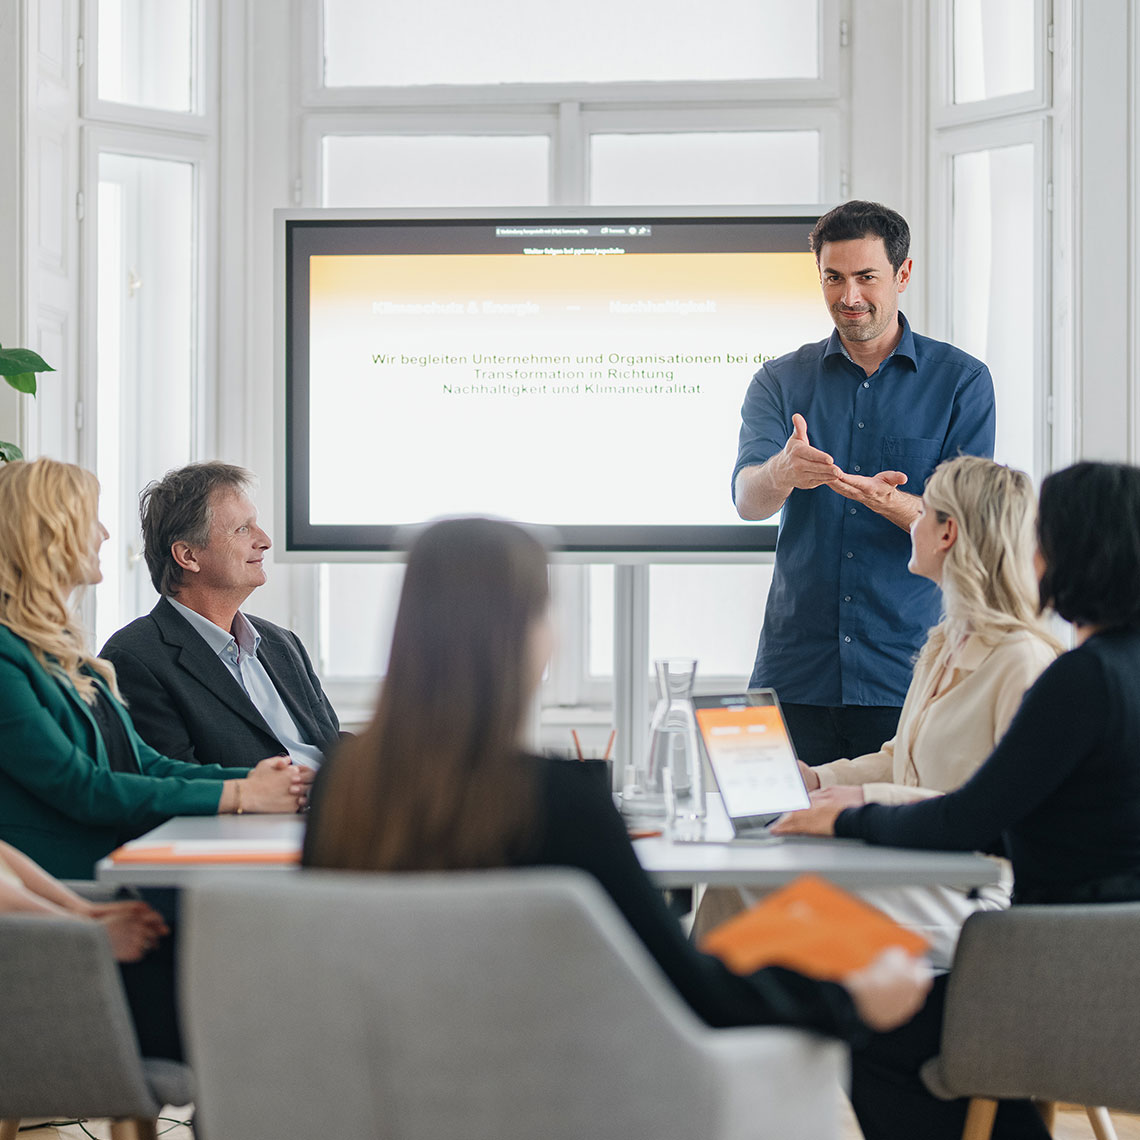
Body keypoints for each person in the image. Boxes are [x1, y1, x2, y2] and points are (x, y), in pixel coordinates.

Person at [303, 516, 930, 1042]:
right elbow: (686, 991)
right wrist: (851, 994)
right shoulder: (560, 803)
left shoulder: (343, 784)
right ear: (521, 636)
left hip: (378, 1097)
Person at [772, 461, 1140, 1140]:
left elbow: (973, 817)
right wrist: (828, 786)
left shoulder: (1073, 677)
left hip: (1042, 948)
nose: (1035, 554)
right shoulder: (1106, 670)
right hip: (1086, 946)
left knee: (857, 999)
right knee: (822, 950)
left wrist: (851, 813)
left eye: (1046, 538)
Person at [699, 457, 1059, 967]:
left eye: (924, 512)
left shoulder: (1022, 661)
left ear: (947, 533)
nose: (912, 522)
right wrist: (816, 781)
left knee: (758, 894)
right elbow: (899, 758)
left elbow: (994, 816)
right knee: (740, 879)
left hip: (972, 895)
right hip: (912, 866)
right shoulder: (943, 644)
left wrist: (858, 801)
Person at [733, 200, 996, 765]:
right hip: (795, 671)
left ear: (902, 274)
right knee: (780, 834)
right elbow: (747, 501)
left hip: (906, 670)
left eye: (865, 277)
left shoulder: (962, 383)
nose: (848, 297)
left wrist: (893, 504)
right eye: (833, 278)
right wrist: (782, 472)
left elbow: (970, 529)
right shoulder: (778, 381)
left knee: (900, 837)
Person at [0, 458, 313, 880]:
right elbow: (83, 787)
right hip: (74, 882)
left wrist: (276, 782)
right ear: (45, 536)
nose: (105, 534)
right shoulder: (15, 657)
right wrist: (242, 792)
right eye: (89, 520)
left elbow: (143, 764)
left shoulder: (71, 659)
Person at [101, 461, 341, 770]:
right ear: (188, 556)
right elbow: (175, 785)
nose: (265, 540)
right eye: (242, 529)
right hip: (256, 817)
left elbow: (330, 746)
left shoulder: (284, 645)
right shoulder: (134, 659)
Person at [0, 839, 182, 1058]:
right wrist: (86, 934)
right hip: (27, 978)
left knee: (173, 935)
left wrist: (82, 910)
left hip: (43, 946)